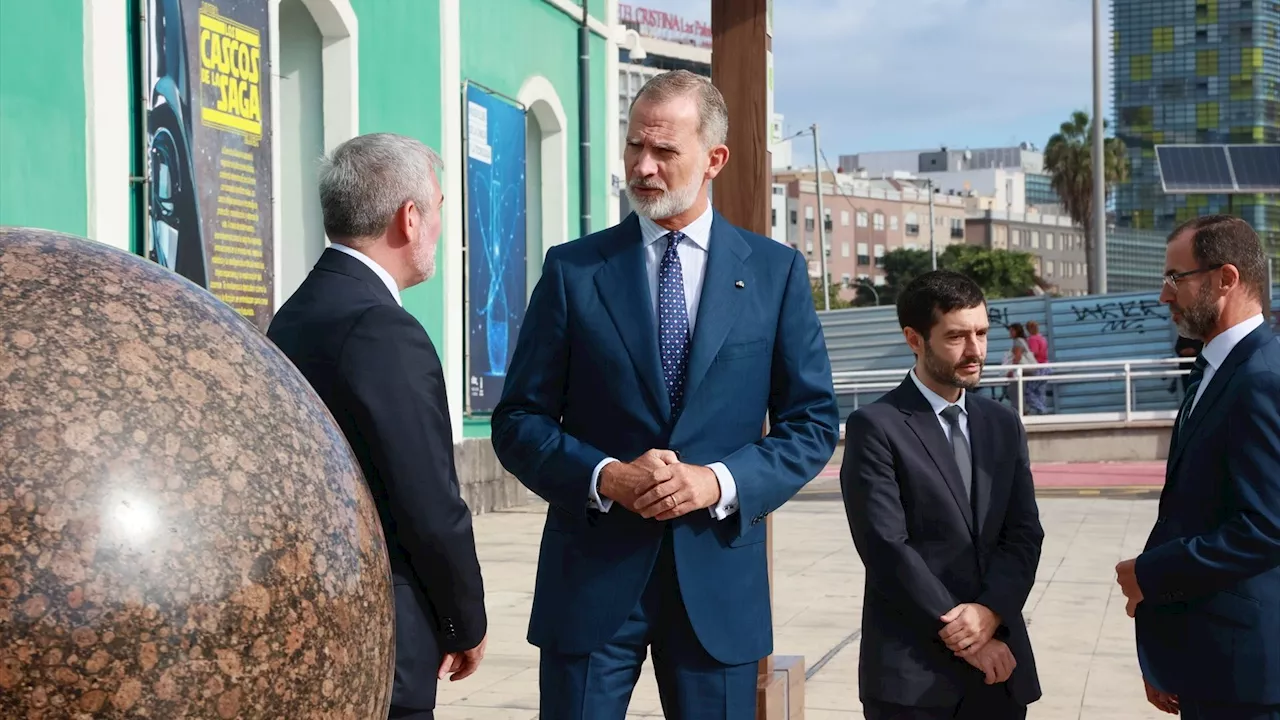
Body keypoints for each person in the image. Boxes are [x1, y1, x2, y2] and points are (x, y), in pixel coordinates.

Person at [490, 70, 839, 719]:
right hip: (590, 583)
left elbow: (814, 423)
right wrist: (606, 476)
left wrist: (719, 482)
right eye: (633, 148)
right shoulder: (574, 271)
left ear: (714, 159)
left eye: (664, 152)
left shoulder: (774, 273)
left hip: (718, 587)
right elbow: (518, 421)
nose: (643, 167)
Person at [267, 133, 487, 720]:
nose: (442, 224)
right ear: (410, 218)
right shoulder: (383, 329)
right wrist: (465, 620)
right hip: (383, 629)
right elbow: (428, 503)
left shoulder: (295, 314)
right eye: (439, 207)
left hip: (308, 614)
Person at [841, 270, 1044, 720]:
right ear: (915, 339)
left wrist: (991, 612)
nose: (975, 350)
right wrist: (969, 637)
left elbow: (1024, 533)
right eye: (956, 336)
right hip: (913, 677)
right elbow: (886, 547)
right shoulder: (876, 426)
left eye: (981, 333)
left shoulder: (1002, 422)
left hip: (999, 674)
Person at [1115, 215, 1280, 720]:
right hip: (1213, 661)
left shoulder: (1261, 378)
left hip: (1249, 680)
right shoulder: (1213, 369)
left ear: (1225, 278)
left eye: (1175, 278)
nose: (1165, 296)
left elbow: (1267, 527)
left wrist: (1150, 575)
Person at [1002, 324, 1044, 415]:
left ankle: (1021, 411)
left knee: (1013, 390)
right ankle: (1024, 410)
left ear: (1016, 331)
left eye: (1012, 330)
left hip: (1023, 370)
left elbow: (1017, 357)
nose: (1010, 333)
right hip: (1026, 370)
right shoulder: (1023, 340)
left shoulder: (1017, 341)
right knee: (1021, 390)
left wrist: (1011, 370)